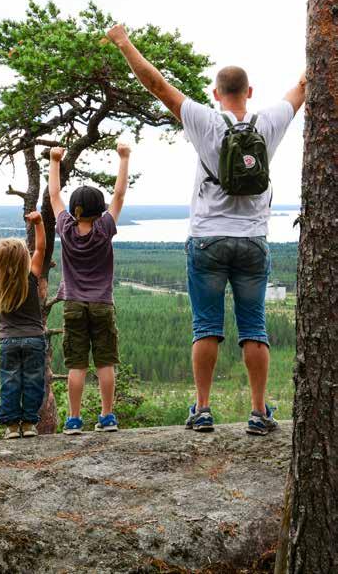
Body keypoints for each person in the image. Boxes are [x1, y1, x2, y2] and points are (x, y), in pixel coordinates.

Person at [106, 23, 306, 436]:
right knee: (254, 327)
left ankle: (201, 409)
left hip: (208, 239)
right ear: (249, 92)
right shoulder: (269, 121)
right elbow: (303, 86)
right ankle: (258, 411)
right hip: (253, 240)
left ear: (217, 94)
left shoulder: (205, 121)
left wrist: (124, 43)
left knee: (206, 327)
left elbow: (158, 85)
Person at [49, 142, 131, 435]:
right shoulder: (104, 228)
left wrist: (54, 160)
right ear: (100, 211)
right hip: (102, 304)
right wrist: (124, 158)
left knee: (77, 364)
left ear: (74, 210)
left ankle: (73, 419)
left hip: (72, 303)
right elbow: (119, 194)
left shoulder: (66, 229)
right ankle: (107, 416)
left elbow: (54, 194)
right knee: (105, 361)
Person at [0, 212, 47, 439]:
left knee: (10, 382)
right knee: (33, 382)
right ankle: (28, 424)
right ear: (24, 260)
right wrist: (38, 224)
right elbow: (41, 250)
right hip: (34, 339)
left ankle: (10, 427)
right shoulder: (31, 276)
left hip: (7, 341)